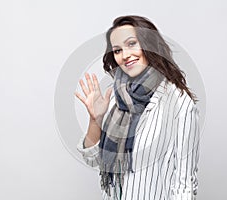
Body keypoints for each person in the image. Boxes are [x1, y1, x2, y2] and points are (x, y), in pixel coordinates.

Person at [74, 15, 200, 200]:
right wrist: (96, 120)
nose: (125, 55)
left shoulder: (179, 102)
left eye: (132, 43)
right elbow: (94, 160)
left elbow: (185, 183)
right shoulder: (115, 97)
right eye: (117, 50)